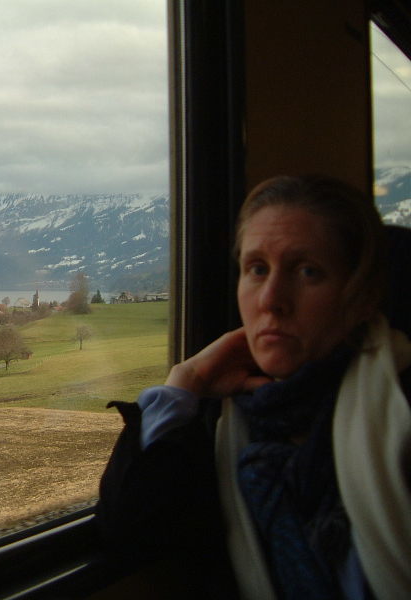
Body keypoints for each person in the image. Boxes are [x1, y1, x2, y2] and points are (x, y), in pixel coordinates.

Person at [97, 175, 411, 600]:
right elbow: (131, 536)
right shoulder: (221, 420)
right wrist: (182, 386)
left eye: (307, 271)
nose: (271, 299)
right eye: (257, 269)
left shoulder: (399, 406)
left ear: (360, 292)